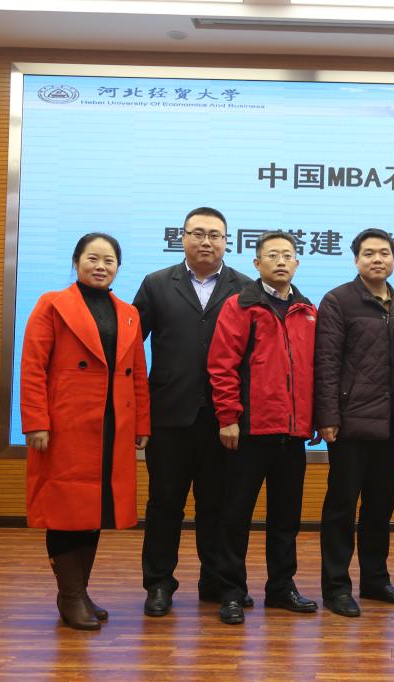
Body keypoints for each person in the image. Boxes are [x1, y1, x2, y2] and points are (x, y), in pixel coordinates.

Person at [20, 232, 150, 631]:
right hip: (66, 426)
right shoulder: (52, 304)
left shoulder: (128, 312)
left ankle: (80, 591)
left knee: (95, 511)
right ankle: (70, 596)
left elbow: (138, 374)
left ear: (118, 268)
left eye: (109, 260)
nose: (101, 266)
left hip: (112, 426)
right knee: (66, 511)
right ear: (76, 262)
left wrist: (141, 423)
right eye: (92, 258)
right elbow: (33, 366)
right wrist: (36, 421)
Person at [133, 207, 252, 617]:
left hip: (224, 419)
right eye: (198, 233)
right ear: (181, 237)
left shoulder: (245, 287)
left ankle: (216, 582)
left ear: (226, 241)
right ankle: (159, 584)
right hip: (169, 415)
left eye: (215, 235)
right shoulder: (156, 284)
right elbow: (131, 347)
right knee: (164, 504)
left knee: (216, 507)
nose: (206, 241)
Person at [207, 230, 319, 625]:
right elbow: (221, 365)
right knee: (235, 516)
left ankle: (281, 587)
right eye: (272, 255)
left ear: (297, 263)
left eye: (287, 255)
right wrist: (228, 418)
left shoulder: (307, 310)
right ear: (257, 263)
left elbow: (314, 369)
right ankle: (231, 591)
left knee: (286, 519)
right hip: (250, 431)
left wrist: (312, 418)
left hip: (293, 433)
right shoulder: (241, 305)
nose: (281, 261)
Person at [314, 228, 394, 617]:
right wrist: (327, 417)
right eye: (369, 253)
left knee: (379, 507)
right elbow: (326, 362)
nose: (377, 259)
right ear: (356, 260)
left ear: (393, 259)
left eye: (384, 253)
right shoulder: (338, 300)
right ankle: (336, 586)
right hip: (350, 424)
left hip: (391, 426)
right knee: (341, 507)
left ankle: (375, 580)